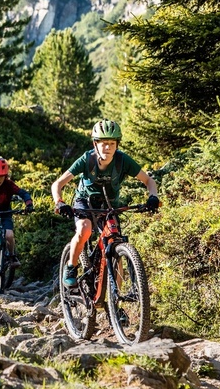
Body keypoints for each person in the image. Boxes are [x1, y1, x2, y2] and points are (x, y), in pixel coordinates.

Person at [50, 119, 160, 288]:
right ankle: (71, 267)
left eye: (112, 143)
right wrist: (59, 202)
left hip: (109, 205)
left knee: (116, 243)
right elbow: (58, 184)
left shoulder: (123, 160)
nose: (108, 147)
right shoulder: (87, 159)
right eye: (103, 143)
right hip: (85, 202)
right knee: (84, 229)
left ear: (117, 145)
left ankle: (116, 303)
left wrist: (153, 197)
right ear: (95, 144)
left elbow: (149, 181)